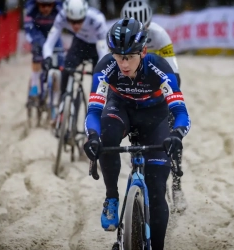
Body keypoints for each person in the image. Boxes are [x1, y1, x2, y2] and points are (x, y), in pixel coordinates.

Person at [83, 17, 191, 250]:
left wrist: (177, 135)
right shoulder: (106, 67)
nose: (123, 63)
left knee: (156, 190)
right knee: (106, 133)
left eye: (129, 56)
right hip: (120, 110)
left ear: (142, 52)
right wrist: (92, 135)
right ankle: (112, 197)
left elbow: (180, 110)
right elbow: (93, 109)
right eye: (118, 56)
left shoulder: (158, 66)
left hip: (155, 118)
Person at [121, 0, 186, 211]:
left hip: (159, 85)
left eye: (144, 28)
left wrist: (170, 95)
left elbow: (174, 71)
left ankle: (176, 183)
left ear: (149, 24)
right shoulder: (120, 35)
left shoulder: (160, 35)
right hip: (134, 87)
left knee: (171, 125)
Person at [42, 0, 109, 103]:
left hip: (97, 45)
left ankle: (94, 106)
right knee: (66, 68)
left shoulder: (97, 19)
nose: (76, 25)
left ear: (85, 15)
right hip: (80, 42)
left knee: (98, 78)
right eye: (72, 21)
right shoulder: (62, 16)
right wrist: (47, 57)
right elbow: (49, 42)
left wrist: (100, 68)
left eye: (80, 21)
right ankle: (62, 100)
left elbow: (103, 49)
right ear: (67, 16)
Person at [24, 0, 63, 103]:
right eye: (42, 5)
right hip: (37, 33)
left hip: (54, 35)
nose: (46, 8)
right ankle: (34, 86)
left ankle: (56, 92)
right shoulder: (31, 8)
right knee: (37, 54)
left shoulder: (60, 8)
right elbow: (28, 30)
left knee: (60, 60)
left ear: (54, 4)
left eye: (49, 5)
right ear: (37, 4)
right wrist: (35, 42)